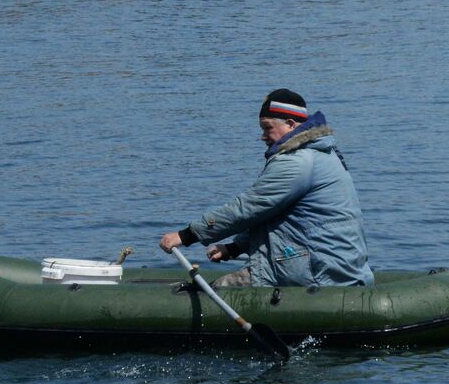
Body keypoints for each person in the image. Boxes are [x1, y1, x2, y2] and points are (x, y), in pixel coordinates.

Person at [159, 89, 374, 288]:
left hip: (317, 272)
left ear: (290, 124)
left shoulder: (297, 162)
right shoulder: (321, 153)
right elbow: (274, 216)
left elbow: (247, 208)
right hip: (330, 266)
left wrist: (187, 235)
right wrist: (236, 248)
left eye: (267, 128)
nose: (263, 136)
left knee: (216, 290)